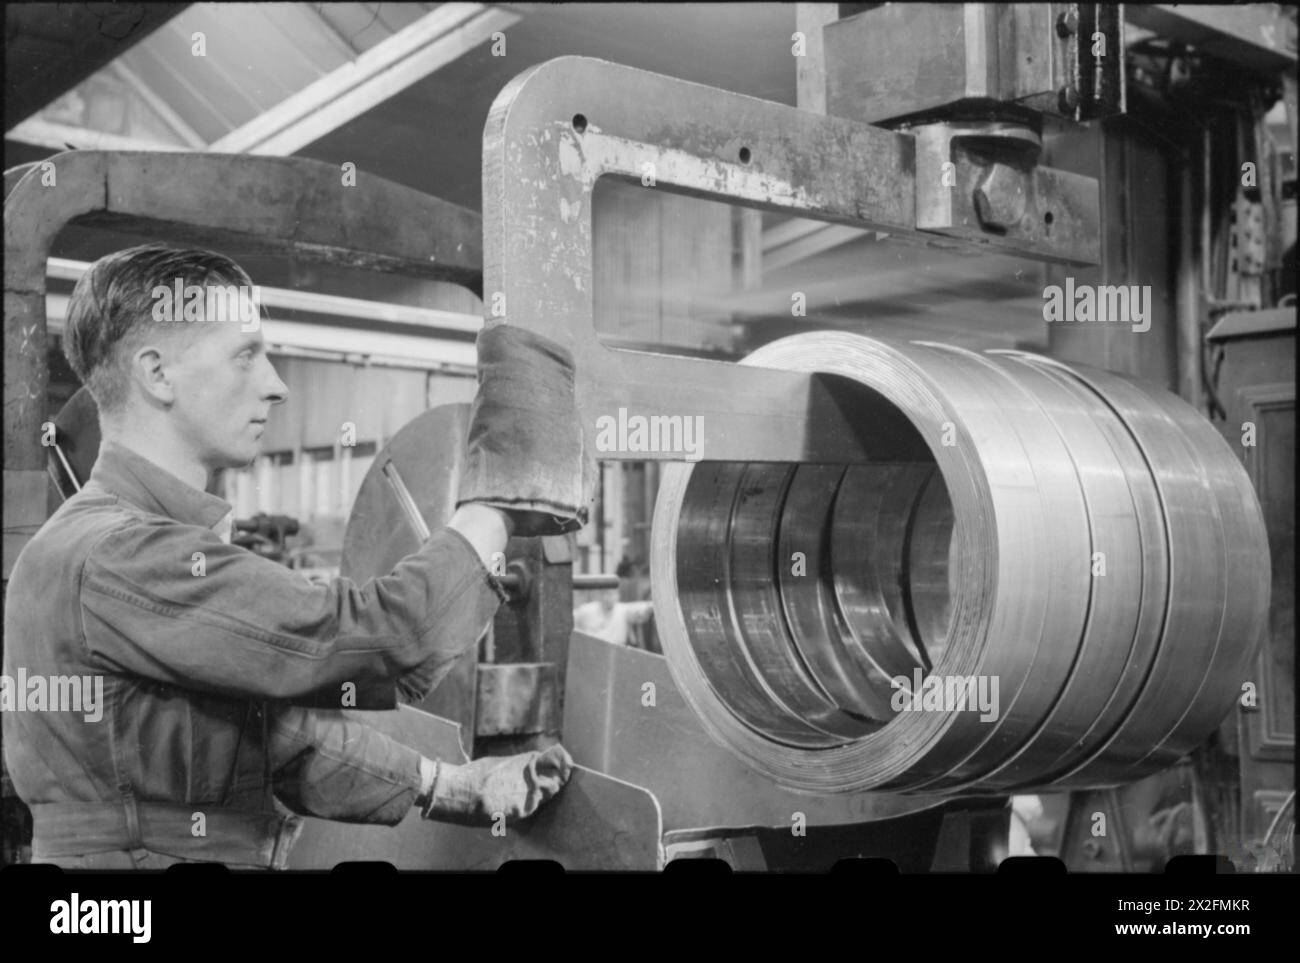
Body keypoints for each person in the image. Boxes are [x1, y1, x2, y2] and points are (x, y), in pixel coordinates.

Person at [1, 244, 591, 869]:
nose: (276, 385)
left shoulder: (107, 540)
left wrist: (448, 785)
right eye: (246, 355)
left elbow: (267, 743)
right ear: (157, 374)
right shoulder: (124, 553)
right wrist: (497, 504)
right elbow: (382, 637)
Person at [574, 587, 654, 648]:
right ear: (600, 595)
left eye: (612, 594)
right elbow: (570, 619)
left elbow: (644, 608)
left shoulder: (623, 610)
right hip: (591, 651)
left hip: (616, 652)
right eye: (606, 594)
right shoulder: (586, 610)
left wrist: (653, 606)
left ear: (618, 596)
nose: (609, 598)